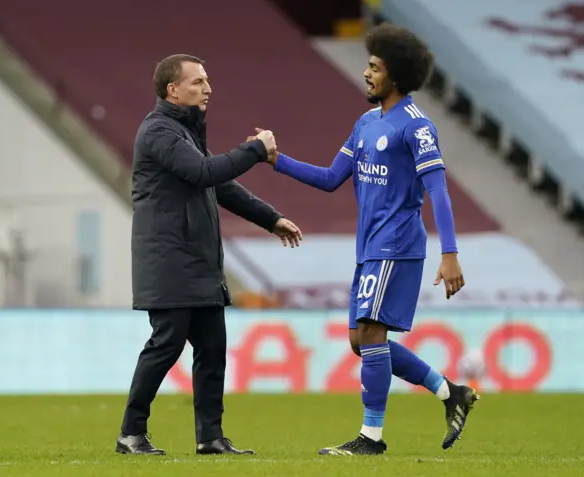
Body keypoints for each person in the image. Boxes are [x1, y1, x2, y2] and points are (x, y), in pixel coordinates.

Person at [266, 24, 479, 455]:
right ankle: (449, 392)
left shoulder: (417, 127)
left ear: (396, 75)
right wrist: (275, 159)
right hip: (368, 249)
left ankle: (371, 439)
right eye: (368, 64)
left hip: (396, 243)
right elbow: (330, 179)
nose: (366, 73)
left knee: (371, 333)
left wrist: (451, 253)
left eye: (375, 67)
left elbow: (437, 189)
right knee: (360, 341)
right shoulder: (365, 123)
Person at [116, 54, 302, 457]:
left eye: (207, 81)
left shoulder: (185, 132)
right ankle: (131, 433)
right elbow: (206, 173)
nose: (208, 88)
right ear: (173, 89)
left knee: (212, 347)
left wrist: (270, 219)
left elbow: (219, 185)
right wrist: (254, 149)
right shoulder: (158, 132)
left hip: (197, 260)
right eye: (198, 82)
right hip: (168, 260)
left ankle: (210, 437)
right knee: (166, 344)